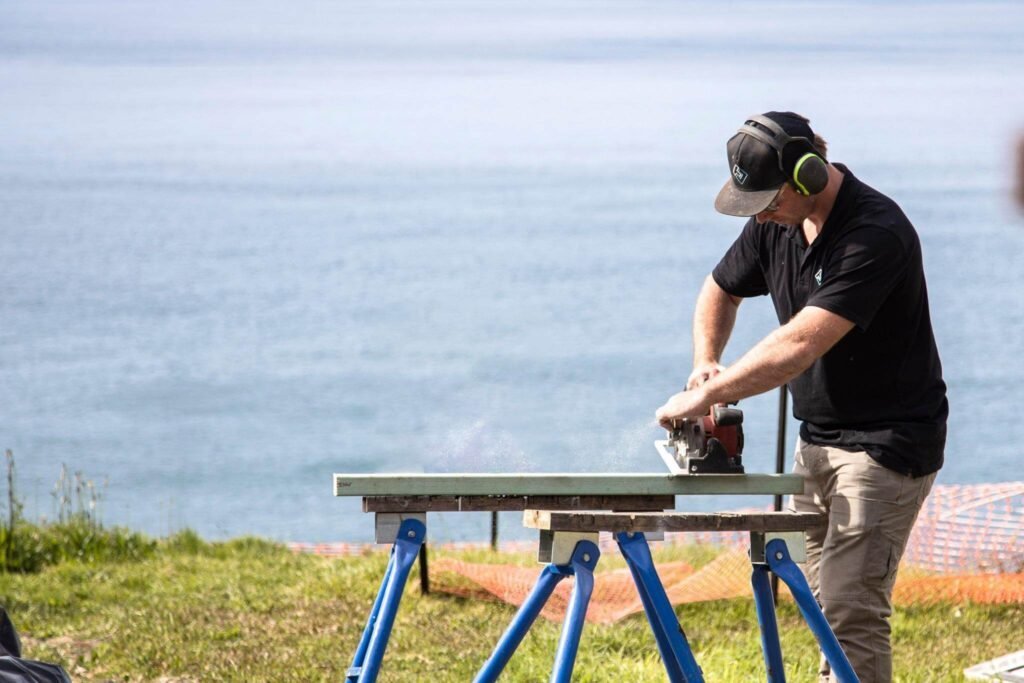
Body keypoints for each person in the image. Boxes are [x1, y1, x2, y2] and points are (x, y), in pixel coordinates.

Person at [655, 112, 948, 683]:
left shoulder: (874, 234)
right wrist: (705, 361)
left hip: (885, 447)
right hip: (817, 441)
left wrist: (707, 396)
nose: (759, 212)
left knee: (849, 612)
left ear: (807, 175)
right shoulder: (776, 222)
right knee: (821, 606)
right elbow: (720, 288)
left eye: (767, 199)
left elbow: (799, 344)